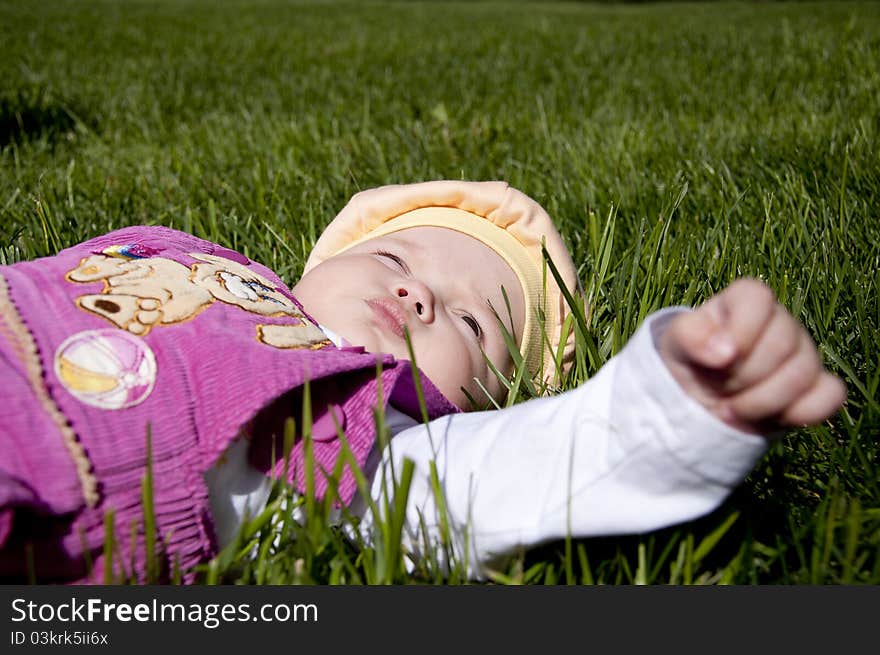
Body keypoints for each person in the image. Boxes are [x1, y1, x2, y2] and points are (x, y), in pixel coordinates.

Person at [0, 180, 845, 583]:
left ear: (475, 400)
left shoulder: (353, 431)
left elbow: (506, 475)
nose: (418, 292)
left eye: (474, 325)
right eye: (396, 256)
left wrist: (671, 405)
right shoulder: (192, 257)